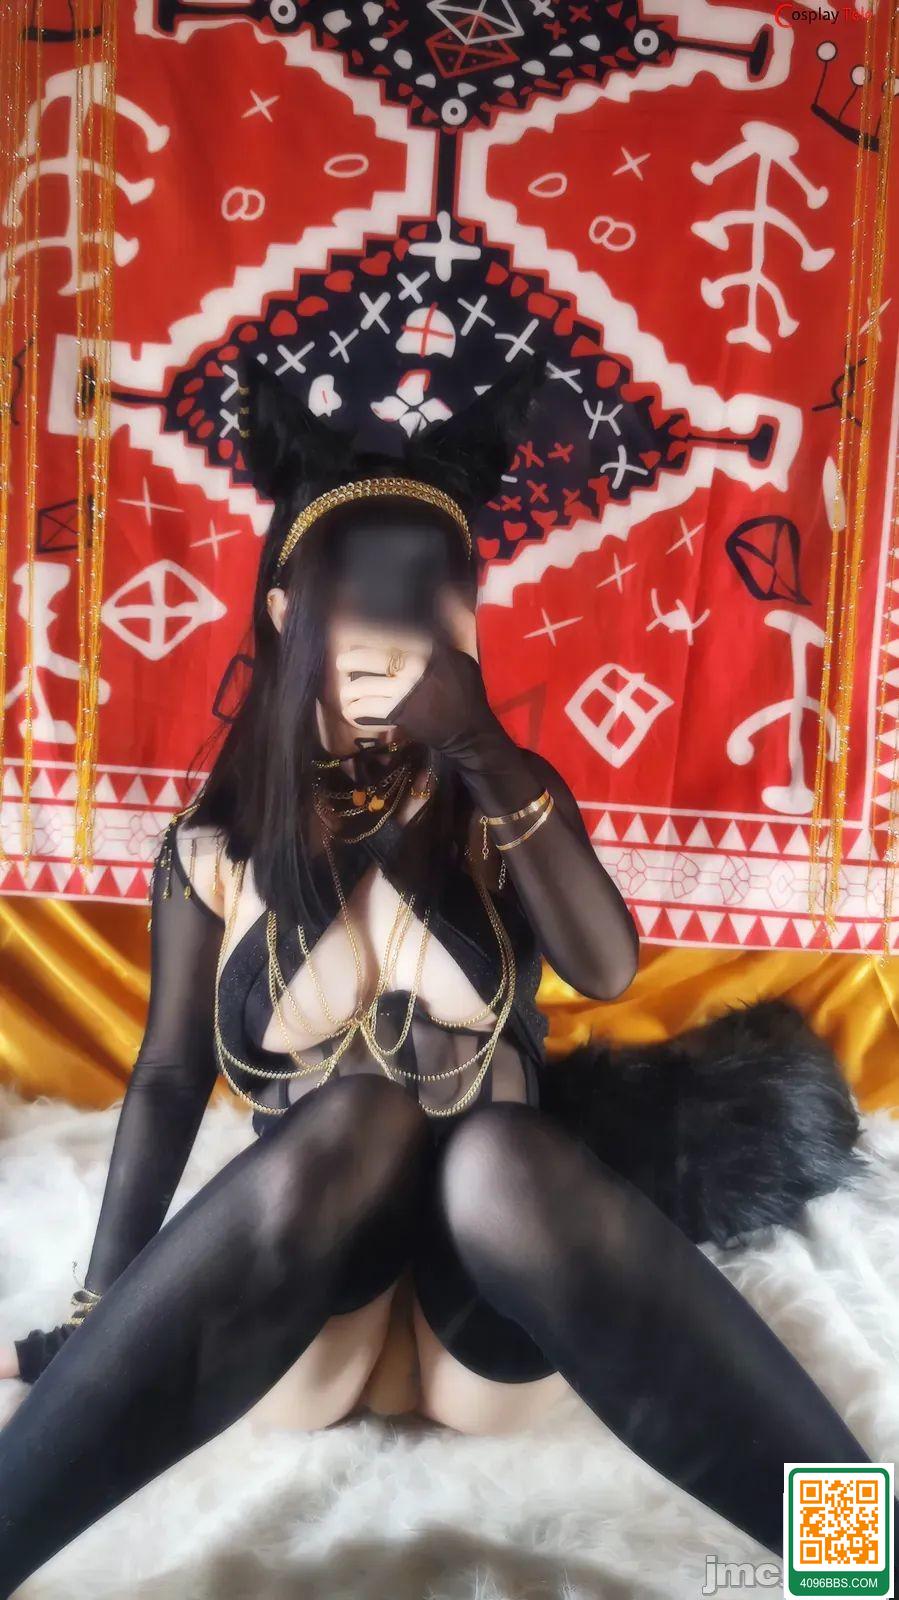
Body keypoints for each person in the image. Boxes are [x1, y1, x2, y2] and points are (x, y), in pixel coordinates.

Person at [0, 352, 880, 1595]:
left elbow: (605, 966)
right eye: (366, 596)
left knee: (496, 1153)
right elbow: (168, 1076)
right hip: (311, 1323)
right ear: (287, 611)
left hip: (487, 1320)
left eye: (435, 598)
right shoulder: (214, 846)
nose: (400, 627)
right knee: (357, 1113)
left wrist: (478, 747)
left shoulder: (503, 804)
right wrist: (95, 1311)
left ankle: (855, 1549)